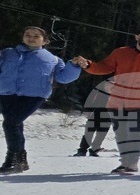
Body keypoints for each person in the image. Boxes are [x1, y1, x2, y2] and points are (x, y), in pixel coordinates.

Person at [72, 26, 140, 174]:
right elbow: (103, 67)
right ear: (136, 37)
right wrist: (88, 65)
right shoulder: (121, 53)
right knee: (121, 133)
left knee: (133, 129)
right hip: (118, 101)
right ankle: (125, 162)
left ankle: (132, 163)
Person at [1, 26, 81, 173]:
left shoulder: (53, 60)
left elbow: (63, 77)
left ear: (45, 40)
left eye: (36, 36)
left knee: (10, 123)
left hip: (34, 95)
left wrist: (74, 66)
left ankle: (11, 159)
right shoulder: (8, 53)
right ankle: (21, 160)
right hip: (6, 93)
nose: (31, 38)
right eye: (28, 35)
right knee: (15, 125)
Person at [74, 79, 114, 157]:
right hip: (95, 116)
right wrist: (87, 110)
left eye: (112, 85)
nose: (109, 86)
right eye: (108, 84)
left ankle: (94, 150)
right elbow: (91, 103)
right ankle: (82, 150)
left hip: (107, 118)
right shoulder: (99, 93)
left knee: (101, 135)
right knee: (88, 133)